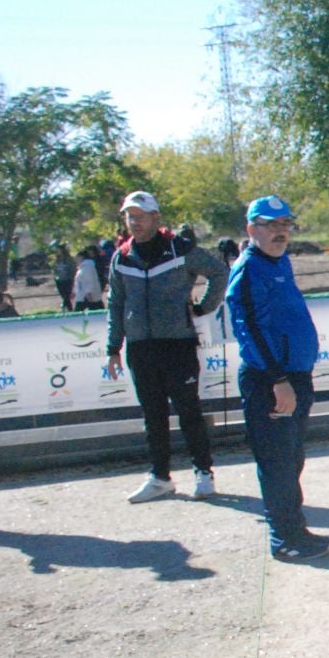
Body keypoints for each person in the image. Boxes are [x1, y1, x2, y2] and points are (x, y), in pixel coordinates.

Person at [226, 196, 329, 562]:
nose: (279, 232)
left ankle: (296, 530)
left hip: (294, 376)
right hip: (270, 381)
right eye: (270, 225)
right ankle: (284, 540)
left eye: (285, 224)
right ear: (251, 229)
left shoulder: (279, 262)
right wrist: (277, 379)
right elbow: (250, 329)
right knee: (276, 463)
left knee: (292, 459)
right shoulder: (249, 270)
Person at [104, 190, 229, 503]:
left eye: (140, 216)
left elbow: (218, 271)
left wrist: (202, 307)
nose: (134, 222)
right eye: (129, 216)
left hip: (178, 344)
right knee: (153, 415)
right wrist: (113, 346)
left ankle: (204, 473)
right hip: (140, 348)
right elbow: (116, 303)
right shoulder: (122, 256)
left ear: (155, 217)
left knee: (188, 411)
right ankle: (160, 477)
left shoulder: (179, 248)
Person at [71, 246, 104, 310]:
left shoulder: (87, 267)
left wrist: (89, 292)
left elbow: (90, 281)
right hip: (82, 295)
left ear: (82, 257)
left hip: (87, 296)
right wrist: (74, 291)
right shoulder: (82, 268)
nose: (75, 260)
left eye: (77, 258)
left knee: (79, 314)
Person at [52, 244, 75, 311]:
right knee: (64, 296)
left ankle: (64, 307)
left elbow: (72, 269)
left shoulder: (69, 259)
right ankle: (69, 309)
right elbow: (54, 269)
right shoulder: (57, 259)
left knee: (66, 296)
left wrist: (71, 278)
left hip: (67, 280)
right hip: (59, 280)